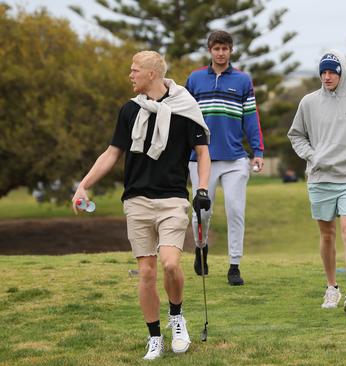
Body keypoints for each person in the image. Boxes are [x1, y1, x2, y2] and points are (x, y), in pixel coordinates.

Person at [71, 50, 212, 359]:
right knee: (146, 273)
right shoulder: (129, 110)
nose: (130, 75)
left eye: (135, 70)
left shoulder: (186, 108)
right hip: (136, 201)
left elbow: (202, 152)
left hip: (173, 199)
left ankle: (176, 317)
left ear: (152, 74)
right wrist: (83, 185)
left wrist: (202, 188)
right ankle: (153, 337)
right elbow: (111, 153)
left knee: (171, 263)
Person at [288, 50, 346, 315]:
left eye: (332, 72)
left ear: (342, 73)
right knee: (327, 234)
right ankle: (332, 286)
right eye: (323, 72)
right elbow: (296, 135)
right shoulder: (308, 102)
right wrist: (311, 155)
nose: (327, 77)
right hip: (319, 178)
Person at [185, 30, 264, 286]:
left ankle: (234, 266)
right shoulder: (195, 79)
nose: (221, 53)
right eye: (216, 48)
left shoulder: (242, 81)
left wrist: (258, 151)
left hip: (234, 160)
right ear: (210, 50)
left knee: (235, 210)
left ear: (231, 51)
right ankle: (201, 248)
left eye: (225, 49)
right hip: (200, 158)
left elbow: (251, 118)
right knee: (201, 214)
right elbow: (183, 118)